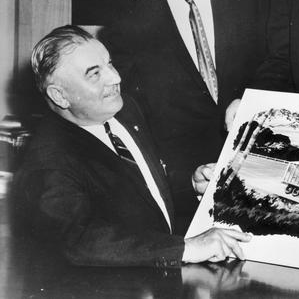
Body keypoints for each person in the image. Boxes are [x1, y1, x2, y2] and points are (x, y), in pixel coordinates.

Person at [14, 26, 251, 267]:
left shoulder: (125, 110)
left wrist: (190, 184)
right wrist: (185, 248)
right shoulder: (48, 160)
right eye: (94, 74)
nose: (115, 78)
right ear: (60, 96)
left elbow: (141, 191)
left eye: (109, 64)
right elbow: (77, 241)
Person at [102, 0, 267, 228]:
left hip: (263, 174)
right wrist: (182, 182)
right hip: (189, 198)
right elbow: (132, 123)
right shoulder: (128, 24)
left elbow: (282, 66)